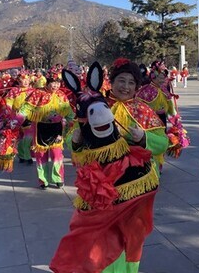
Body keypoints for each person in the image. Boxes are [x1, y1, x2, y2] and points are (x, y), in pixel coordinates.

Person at [50, 58, 168, 273]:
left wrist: (144, 139)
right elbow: (74, 139)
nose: (125, 87)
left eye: (131, 83)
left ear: (137, 87)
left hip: (133, 185)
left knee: (130, 235)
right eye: (121, 81)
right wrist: (75, 141)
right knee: (98, 234)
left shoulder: (143, 111)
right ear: (111, 82)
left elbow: (163, 143)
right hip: (100, 185)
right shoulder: (95, 104)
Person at [18, 69, 74, 189]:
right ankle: (43, 180)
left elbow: (68, 111)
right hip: (40, 128)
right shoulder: (37, 94)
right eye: (53, 82)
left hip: (57, 129)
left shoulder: (61, 95)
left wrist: (74, 121)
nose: (56, 85)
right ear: (47, 82)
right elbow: (26, 108)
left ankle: (58, 177)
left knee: (57, 154)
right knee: (41, 155)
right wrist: (16, 119)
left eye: (58, 83)